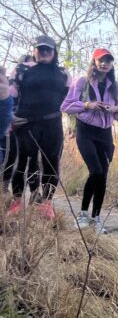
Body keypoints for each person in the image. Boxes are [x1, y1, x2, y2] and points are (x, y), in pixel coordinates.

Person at [61, 48, 118, 233]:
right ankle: (82, 215)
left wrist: (113, 109)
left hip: (105, 133)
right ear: (94, 62)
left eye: (108, 60)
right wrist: (87, 105)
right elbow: (65, 106)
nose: (104, 63)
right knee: (96, 171)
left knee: (102, 175)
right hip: (86, 131)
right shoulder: (82, 82)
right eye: (101, 60)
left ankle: (96, 218)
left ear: (112, 64)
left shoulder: (116, 87)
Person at [7, 36, 71, 219]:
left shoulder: (63, 72)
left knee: (51, 162)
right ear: (34, 51)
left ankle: (46, 204)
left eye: (47, 50)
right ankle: (17, 201)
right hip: (26, 123)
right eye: (39, 49)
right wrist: (10, 117)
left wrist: (73, 123)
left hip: (52, 123)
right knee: (24, 161)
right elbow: (10, 93)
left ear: (54, 52)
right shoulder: (23, 68)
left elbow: (71, 99)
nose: (43, 53)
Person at [2, 55, 36, 193]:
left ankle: (33, 191)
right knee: (11, 155)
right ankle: (4, 188)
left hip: (29, 123)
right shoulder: (14, 79)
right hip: (12, 124)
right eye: (27, 62)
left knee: (27, 157)